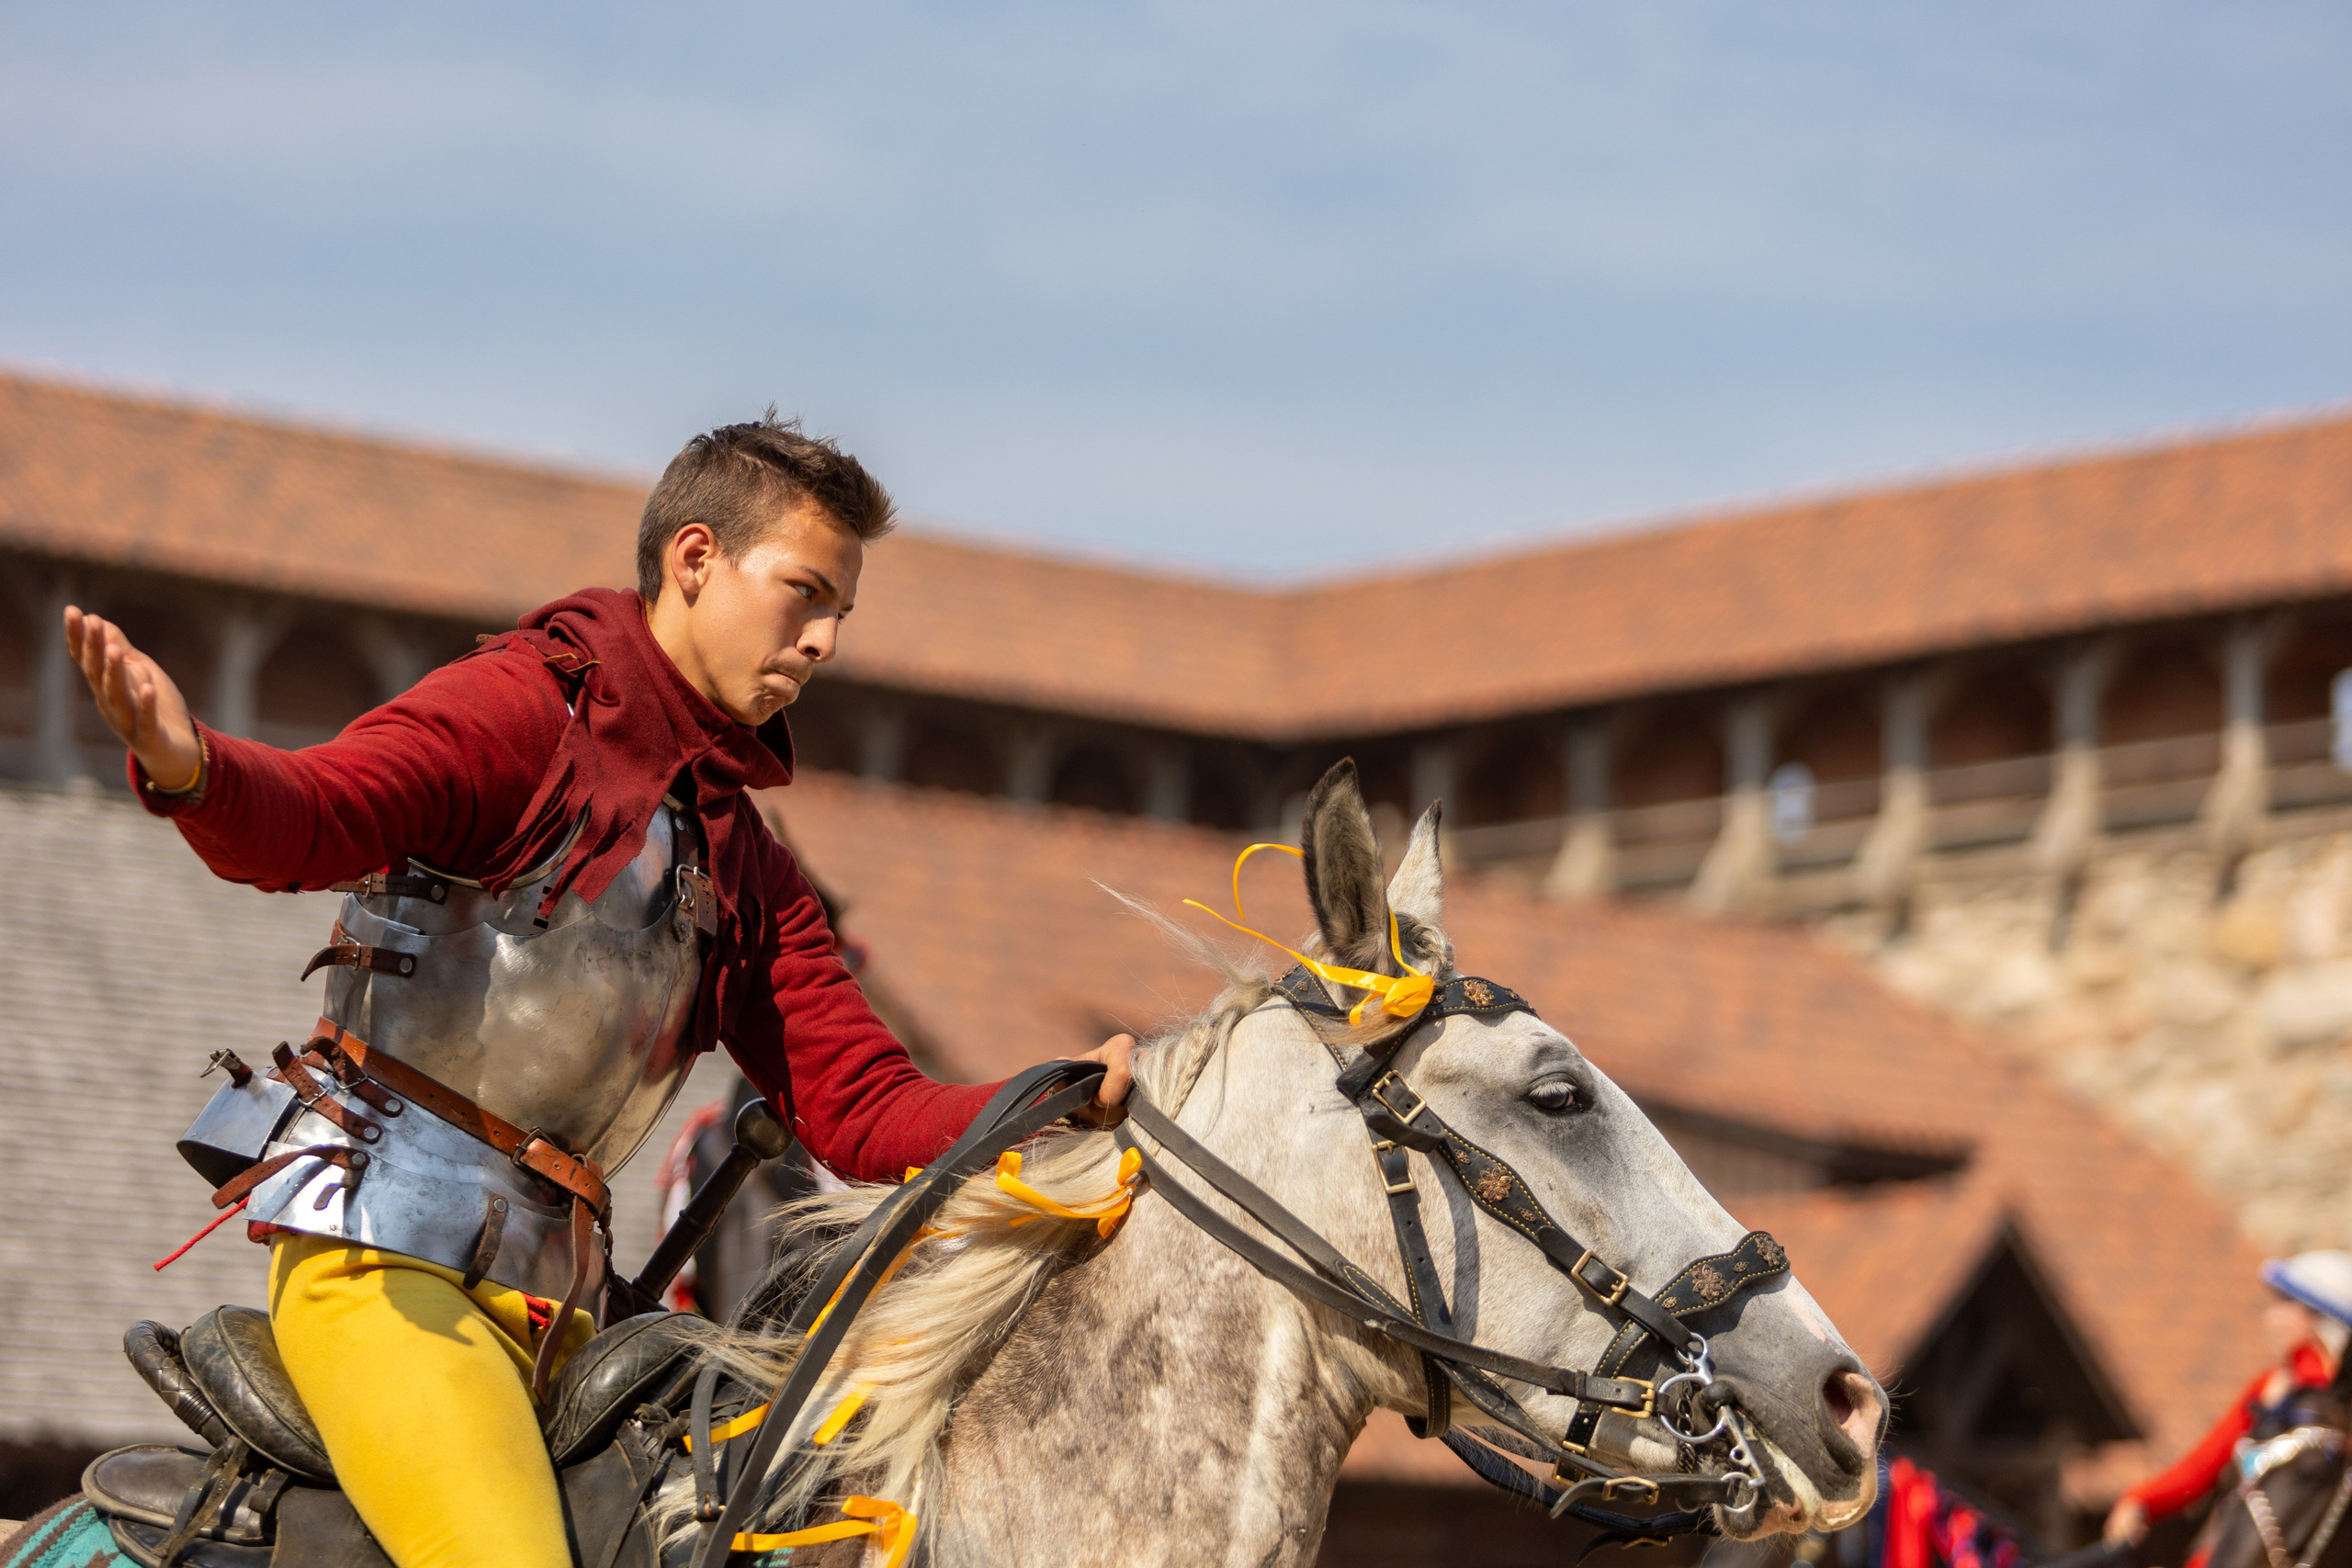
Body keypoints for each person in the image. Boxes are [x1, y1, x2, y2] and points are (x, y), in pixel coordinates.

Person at [64, 413, 1135, 1568]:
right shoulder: (521, 711)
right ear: (694, 560)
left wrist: (1049, 1097)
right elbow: (314, 817)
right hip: (385, 1275)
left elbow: (860, 1105)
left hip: (571, 1322)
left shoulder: (733, 845)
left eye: (840, 614)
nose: (823, 640)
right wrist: (192, 768)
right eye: (803, 593)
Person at [2104, 1251, 2352, 1559]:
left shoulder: (2329, 1405)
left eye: (2286, 1304)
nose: (2271, 1317)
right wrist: (2143, 1500)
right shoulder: (2268, 1386)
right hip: (2231, 1551)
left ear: (2320, 1317)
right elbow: (2204, 1463)